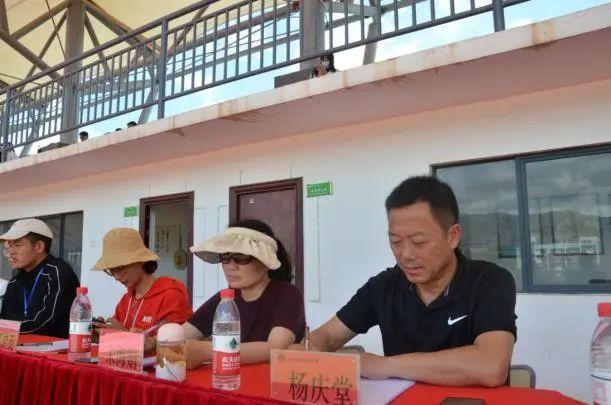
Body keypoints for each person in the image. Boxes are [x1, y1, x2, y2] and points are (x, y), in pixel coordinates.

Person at [308, 176, 517, 387]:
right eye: (396, 242)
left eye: (419, 242)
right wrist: (310, 348)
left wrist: (385, 365)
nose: (406, 255)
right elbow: (327, 335)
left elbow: (491, 366)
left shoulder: (489, 281)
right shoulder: (383, 287)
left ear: (453, 236)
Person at [184, 219, 305, 369]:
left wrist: (207, 351)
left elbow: (275, 348)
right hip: (230, 378)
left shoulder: (287, 295)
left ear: (265, 261)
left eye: (241, 257)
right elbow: (182, 334)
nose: (231, 266)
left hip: (270, 380)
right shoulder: (225, 298)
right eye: (225, 257)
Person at [92, 228, 192, 341]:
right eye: (111, 271)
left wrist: (124, 334)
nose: (117, 277)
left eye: (120, 268)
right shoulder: (126, 300)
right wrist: (102, 333)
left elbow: (176, 343)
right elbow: (117, 339)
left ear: (141, 260)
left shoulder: (170, 296)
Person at [0, 219, 80, 338]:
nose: (11, 252)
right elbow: (5, 320)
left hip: (54, 347)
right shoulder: (15, 281)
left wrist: (8, 330)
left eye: (17, 245)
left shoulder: (58, 272)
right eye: (10, 246)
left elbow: (47, 322)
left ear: (39, 246)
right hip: (20, 345)